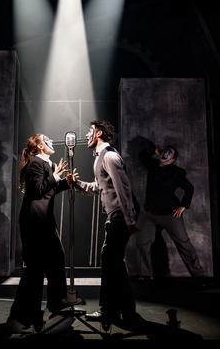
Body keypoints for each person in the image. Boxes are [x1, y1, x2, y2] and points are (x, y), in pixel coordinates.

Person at [70, 120, 143, 330]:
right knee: (114, 263)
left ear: (99, 133)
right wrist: (78, 184)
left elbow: (123, 189)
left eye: (89, 131)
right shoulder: (100, 158)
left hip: (120, 216)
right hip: (117, 216)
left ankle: (111, 310)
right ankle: (122, 310)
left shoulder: (109, 156)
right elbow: (99, 187)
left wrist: (129, 220)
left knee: (111, 261)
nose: (86, 135)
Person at [7, 133, 72, 333]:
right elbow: (36, 190)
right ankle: (23, 315)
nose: (52, 140)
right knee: (36, 270)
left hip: (42, 222)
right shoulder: (36, 163)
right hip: (35, 223)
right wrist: (56, 177)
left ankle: (52, 304)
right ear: (40, 146)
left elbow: (46, 191)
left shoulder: (45, 164)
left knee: (52, 261)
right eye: (47, 139)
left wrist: (64, 182)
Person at [136, 145, 205, 278]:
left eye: (169, 154)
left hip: (170, 214)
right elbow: (142, 154)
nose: (165, 155)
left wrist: (183, 206)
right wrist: (154, 151)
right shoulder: (153, 165)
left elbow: (189, 189)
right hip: (150, 213)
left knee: (185, 245)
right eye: (164, 152)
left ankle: (199, 277)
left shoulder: (177, 172)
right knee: (142, 242)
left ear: (173, 159)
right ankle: (145, 276)